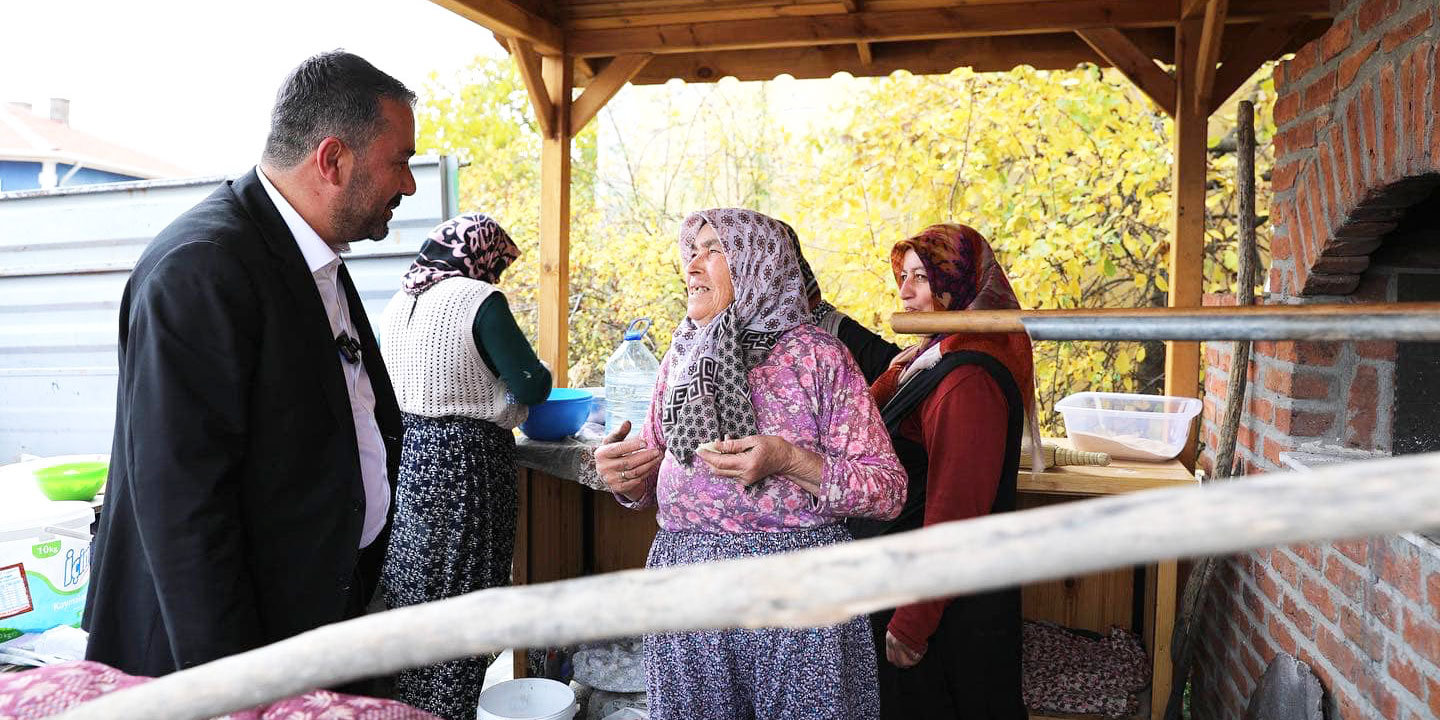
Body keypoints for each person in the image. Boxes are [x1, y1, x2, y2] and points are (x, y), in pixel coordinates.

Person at [84, 51, 417, 677]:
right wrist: (236, 693)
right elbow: (184, 509)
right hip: (229, 659)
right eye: (399, 161)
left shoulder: (307, 255)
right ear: (333, 160)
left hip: (312, 623)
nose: (409, 184)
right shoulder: (202, 268)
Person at [592, 208, 907, 720]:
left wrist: (788, 459)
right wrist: (624, 475)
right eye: (691, 252)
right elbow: (652, 463)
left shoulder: (817, 357)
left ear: (758, 263)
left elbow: (887, 490)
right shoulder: (682, 353)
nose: (692, 266)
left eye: (713, 250)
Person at [811, 223, 1033, 719]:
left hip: (944, 615)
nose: (904, 293)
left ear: (958, 285)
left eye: (921, 278)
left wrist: (913, 622)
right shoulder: (932, 359)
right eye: (903, 277)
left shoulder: (968, 380)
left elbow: (957, 508)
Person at [378, 213, 551, 719]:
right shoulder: (478, 300)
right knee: (468, 599)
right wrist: (528, 379)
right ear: (483, 257)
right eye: (496, 264)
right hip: (468, 469)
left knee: (421, 593)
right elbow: (533, 385)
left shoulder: (400, 300)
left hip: (412, 462)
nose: (495, 276)